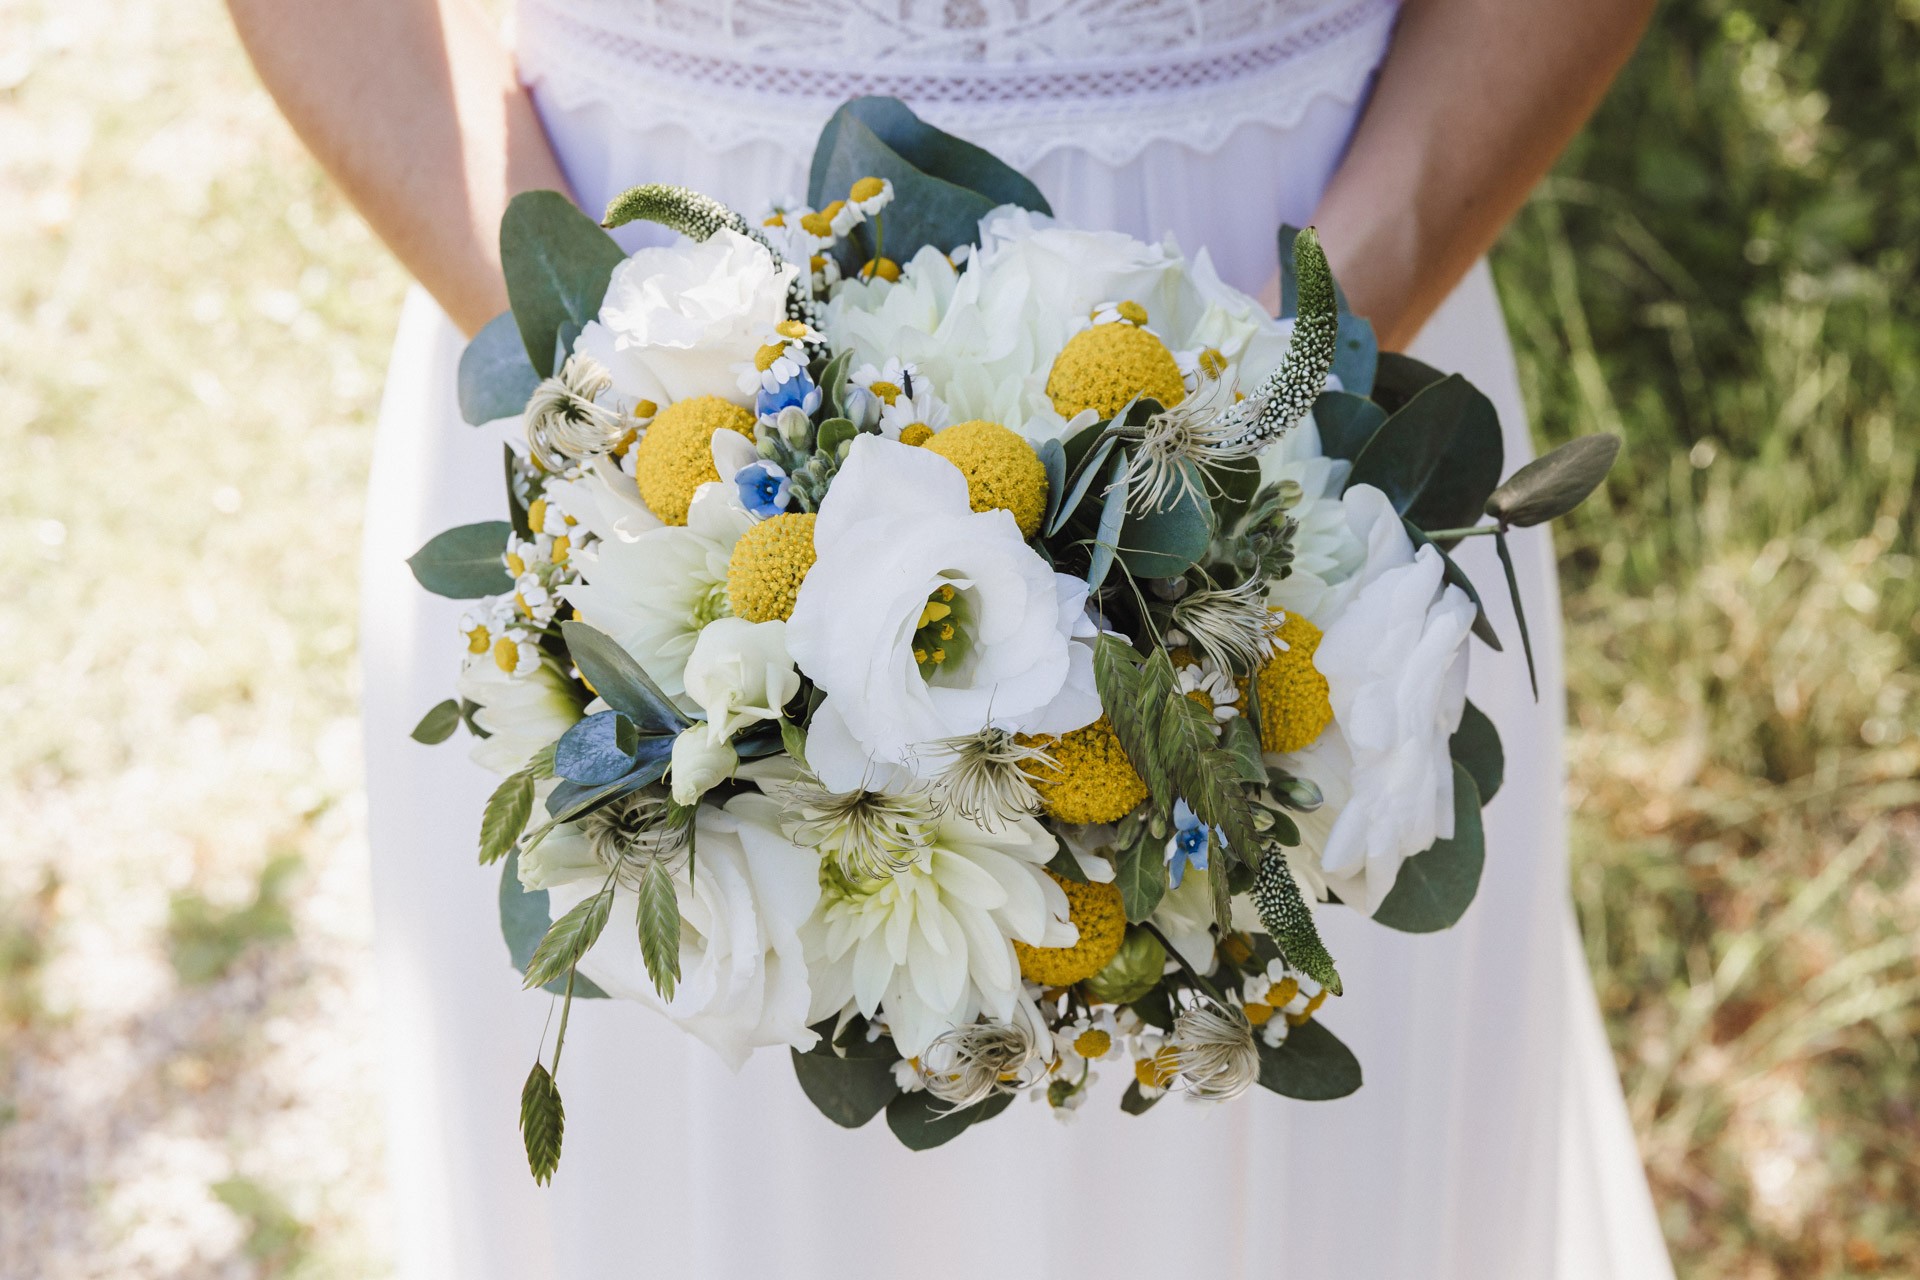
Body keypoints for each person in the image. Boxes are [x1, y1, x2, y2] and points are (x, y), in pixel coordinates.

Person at [228, 2, 1670, 1276]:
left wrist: (1282, 394)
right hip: (653, 373)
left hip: (1322, 330)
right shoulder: (628, 424)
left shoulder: (1299, 412)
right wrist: (616, 416)